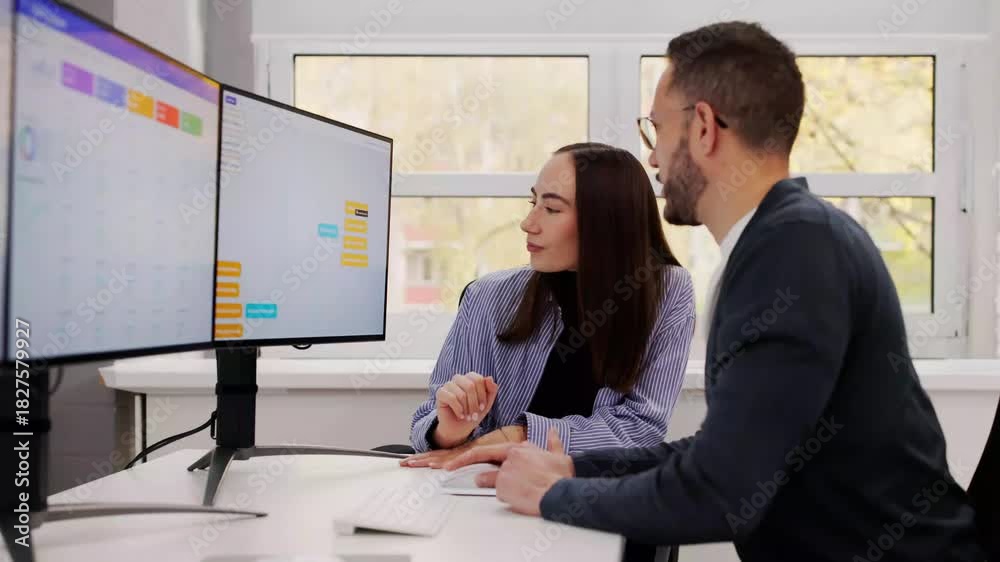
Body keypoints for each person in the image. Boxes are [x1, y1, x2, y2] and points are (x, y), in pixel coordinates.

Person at [442, 21, 986, 561]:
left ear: (703, 128)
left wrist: (554, 495)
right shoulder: (781, 240)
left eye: (656, 131)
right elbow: (719, 457)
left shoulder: (794, 249)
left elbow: (722, 492)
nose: (653, 159)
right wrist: (575, 467)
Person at [400, 142, 696, 467]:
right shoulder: (486, 296)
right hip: (484, 486)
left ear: (606, 221)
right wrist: (449, 431)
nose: (528, 223)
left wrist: (518, 436)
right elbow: (427, 424)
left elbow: (641, 429)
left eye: (552, 209)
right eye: (533, 202)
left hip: (591, 490)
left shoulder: (667, 291)